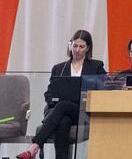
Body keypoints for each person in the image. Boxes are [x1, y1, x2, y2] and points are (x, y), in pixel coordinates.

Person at [17, 30, 106, 159]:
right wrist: (55, 101)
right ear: (70, 45)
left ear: (88, 48)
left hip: (83, 112)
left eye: (81, 47)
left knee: (62, 106)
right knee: (63, 121)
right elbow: (49, 93)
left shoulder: (96, 66)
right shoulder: (59, 68)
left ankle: (34, 147)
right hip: (63, 112)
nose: (77, 49)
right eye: (74, 45)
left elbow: (104, 89)